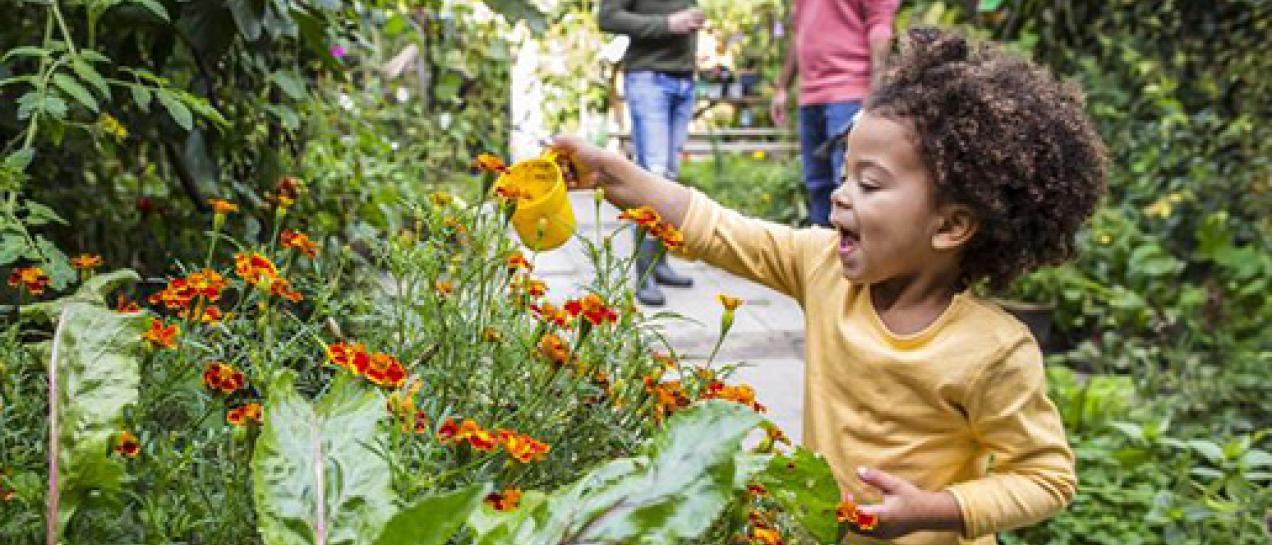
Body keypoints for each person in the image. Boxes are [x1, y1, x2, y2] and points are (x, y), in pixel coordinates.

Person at [555, 28, 1106, 544]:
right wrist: (614, 175)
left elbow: (1047, 476)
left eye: (868, 183)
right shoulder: (820, 269)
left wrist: (940, 509)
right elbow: (717, 228)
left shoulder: (992, 350)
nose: (841, 196)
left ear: (950, 226)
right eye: (844, 175)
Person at [599, 0, 701, 306]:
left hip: (684, 80)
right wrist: (668, 24)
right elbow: (608, 16)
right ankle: (643, 276)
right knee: (652, 176)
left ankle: (660, 264)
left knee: (668, 178)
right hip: (649, 79)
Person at [771, 0, 901, 227]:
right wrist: (782, 86)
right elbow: (800, 31)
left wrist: (877, 95)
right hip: (810, 95)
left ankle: (855, 258)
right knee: (817, 186)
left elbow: (880, 27)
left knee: (850, 185)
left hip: (850, 94)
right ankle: (823, 256)